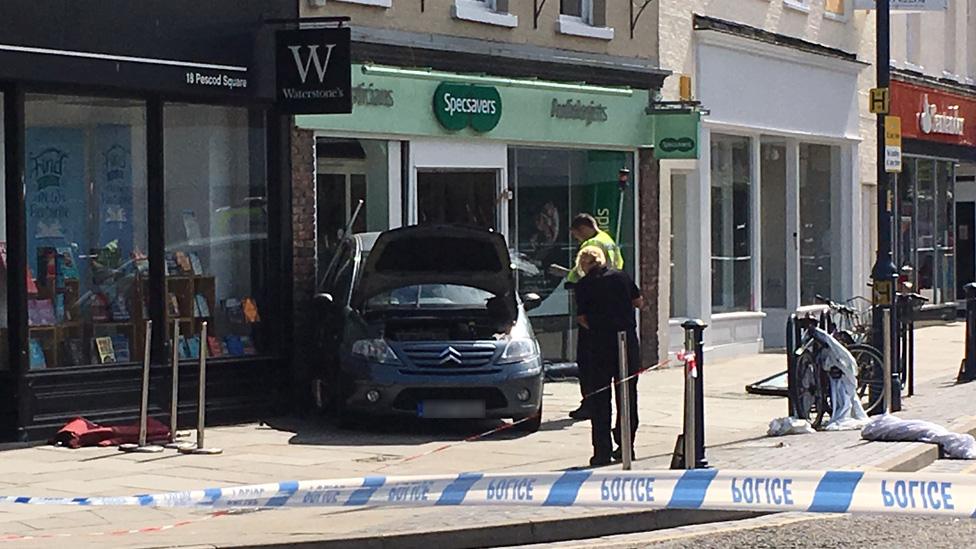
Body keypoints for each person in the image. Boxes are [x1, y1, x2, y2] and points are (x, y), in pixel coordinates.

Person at [574, 246, 643, 467]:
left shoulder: (583, 285)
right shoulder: (622, 276)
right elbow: (639, 302)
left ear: (583, 265)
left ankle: (601, 451)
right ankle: (626, 445)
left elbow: (582, 318)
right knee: (627, 396)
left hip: (599, 345)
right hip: (626, 343)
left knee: (600, 399)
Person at [553, 213, 624, 421]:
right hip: (612, 304)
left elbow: (578, 272)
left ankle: (590, 403)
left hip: (593, 305)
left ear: (583, 229)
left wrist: (569, 278)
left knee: (587, 361)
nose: (577, 240)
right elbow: (619, 265)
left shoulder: (591, 244)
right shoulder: (608, 240)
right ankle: (600, 404)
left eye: (576, 235)